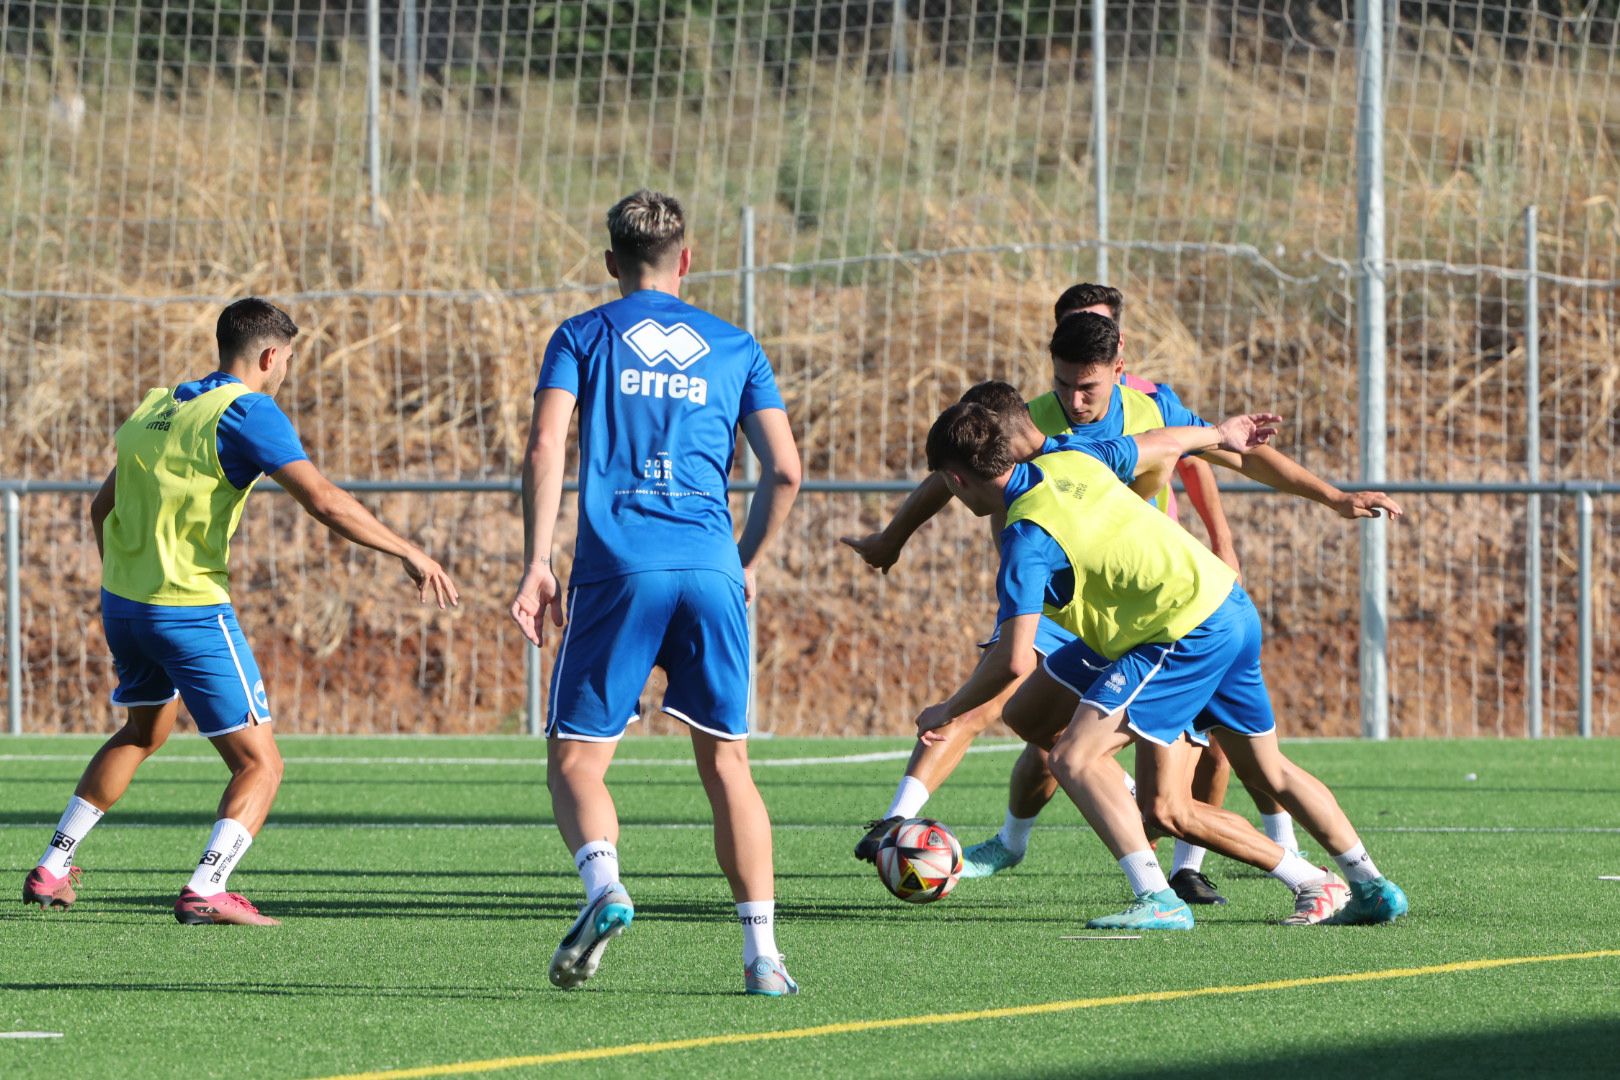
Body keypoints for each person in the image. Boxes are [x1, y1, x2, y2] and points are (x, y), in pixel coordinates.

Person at [22, 298, 458, 925]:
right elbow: (325, 501)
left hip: (124, 606)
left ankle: (53, 867)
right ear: (270, 356)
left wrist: (126, 577)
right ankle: (208, 886)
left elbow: (100, 508)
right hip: (190, 612)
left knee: (143, 732)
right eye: (288, 362)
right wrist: (408, 550)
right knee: (261, 763)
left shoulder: (159, 405)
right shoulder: (249, 411)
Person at [843, 283, 1273, 904]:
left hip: (1143, 602)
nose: (1075, 390)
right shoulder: (1030, 420)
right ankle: (917, 822)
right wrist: (893, 537)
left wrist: (1304, 508)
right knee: (1019, 713)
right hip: (1059, 596)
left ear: (1118, 352)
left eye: (1089, 369)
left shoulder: (1147, 409)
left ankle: (1214, 867)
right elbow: (950, 476)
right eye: (1065, 365)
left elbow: (1203, 451)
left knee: (1195, 758)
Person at [920, 400, 1410, 930]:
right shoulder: (1072, 456)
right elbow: (1164, 441)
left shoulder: (1025, 539)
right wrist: (1220, 432)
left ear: (956, 479)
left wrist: (947, 709)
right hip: (1224, 606)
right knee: (1039, 717)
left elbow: (1014, 659)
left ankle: (1159, 897)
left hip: (1180, 632)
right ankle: (1371, 885)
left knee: (1080, 761)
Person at [509, 190, 803, 996]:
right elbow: (785, 470)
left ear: (611, 263)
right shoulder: (737, 345)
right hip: (709, 566)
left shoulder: (581, 335)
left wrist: (539, 562)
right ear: (687, 259)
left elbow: (545, 445)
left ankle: (605, 885)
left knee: (576, 758)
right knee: (728, 766)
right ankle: (764, 959)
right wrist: (744, 558)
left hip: (619, 567)